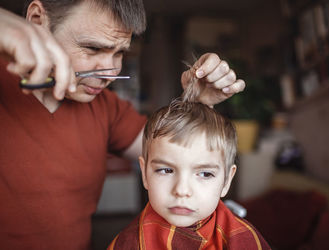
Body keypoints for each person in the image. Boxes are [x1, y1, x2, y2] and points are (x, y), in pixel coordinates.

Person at [0, 0, 245, 249]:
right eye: (93, 48)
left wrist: (199, 103)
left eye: (119, 53)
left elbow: (173, 157)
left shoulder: (108, 108)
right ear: (37, 20)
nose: (110, 71)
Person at [107, 82, 270, 249]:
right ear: (145, 173)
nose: (182, 190)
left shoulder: (242, 239)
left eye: (205, 174)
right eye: (166, 170)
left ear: (227, 181)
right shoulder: (129, 243)